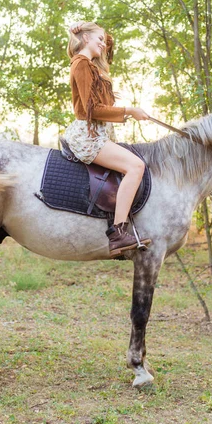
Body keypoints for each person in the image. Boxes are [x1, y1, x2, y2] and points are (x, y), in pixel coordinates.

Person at [64, 21, 151, 257]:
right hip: (88, 135)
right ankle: (118, 232)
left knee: (133, 165)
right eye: (99, 39)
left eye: (104, 39)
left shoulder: (93, 65)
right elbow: (92, 109)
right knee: (136, 166)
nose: (104, 43)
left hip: (100, 132)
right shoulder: (81, 64)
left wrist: (90, 31)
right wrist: (129, 111)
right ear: (84, 40)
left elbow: (107, 45)